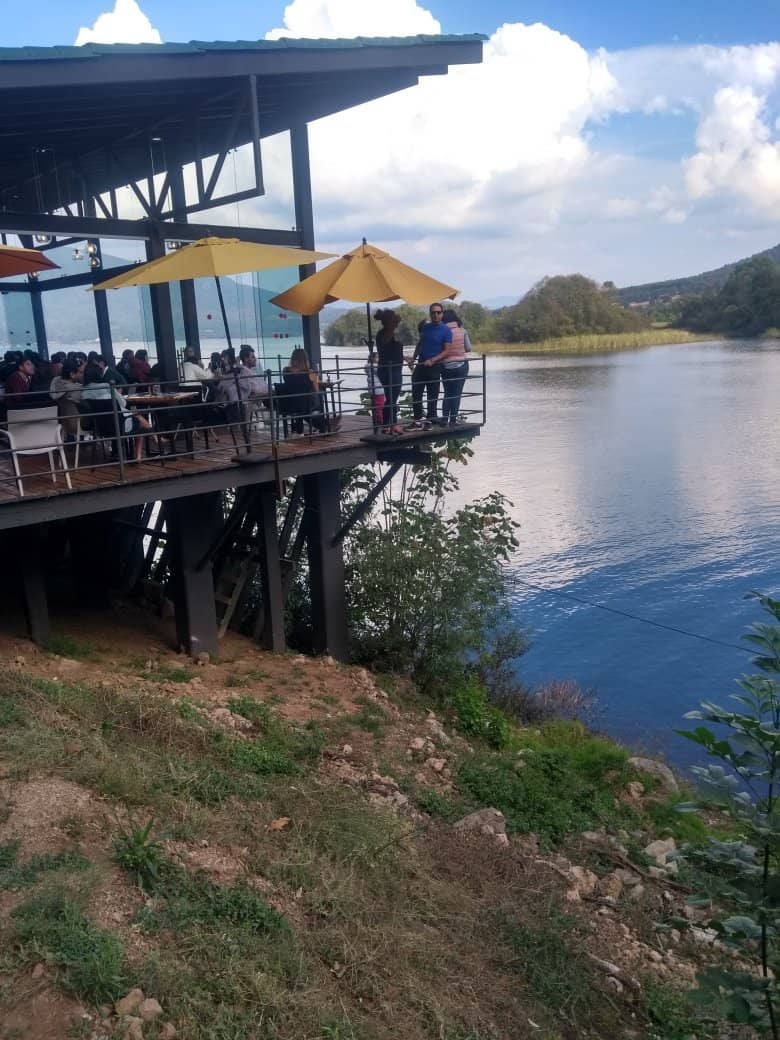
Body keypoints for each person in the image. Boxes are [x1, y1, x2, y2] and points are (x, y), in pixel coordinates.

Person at [82, 361, 152, 461]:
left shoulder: (84, 393)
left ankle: (153, 439)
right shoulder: (107, 387)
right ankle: (138, 456)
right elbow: (123, 403)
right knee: (140, 423)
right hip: (120, 425)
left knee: (136, 418)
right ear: (99, 374)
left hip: (100, 427)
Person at [409, 302, 451, 427]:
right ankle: (417, 419)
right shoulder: (426, 328)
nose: (436, 315)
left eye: (438, 312)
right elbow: (420, 343)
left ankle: (432, 416)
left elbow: (447, 350)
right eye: (433, 312)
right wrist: (414, 357)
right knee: (416, 391)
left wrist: (433, 360)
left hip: (434, 366)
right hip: (421, 365)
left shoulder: (446, 330)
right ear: (430, 314)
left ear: (442, 314)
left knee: (433, 393)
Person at [436, 308, 471, 425]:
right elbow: (468, 348)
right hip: (461, 366)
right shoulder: (462, 331)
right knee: (457, 393)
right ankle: (453, 421)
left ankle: (444, 419)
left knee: (447, 393)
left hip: (445, 366)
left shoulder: (441, 332)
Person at [374, 308, 404, 432]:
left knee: (391, 397)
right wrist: (392, 327)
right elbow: (386, 343)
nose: (397, 322)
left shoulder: (390, 333)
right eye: (394, 320)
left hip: (395, 369)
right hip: (389, 370)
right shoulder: (384, 334)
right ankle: (392, 423)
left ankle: (387, 424)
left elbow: (393, 351)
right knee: (392, 397)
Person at [49, 357, 84, 439]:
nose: (82, 375)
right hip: (77, 424)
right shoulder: (77, 389)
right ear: (72, 374)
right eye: (80, 372)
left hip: (63, 423)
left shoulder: (55, 382)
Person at [364, 350, 385, 426]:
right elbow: (382, 370)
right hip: (378, 390)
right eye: (378, 357)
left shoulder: (369, 366)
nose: (379, 359)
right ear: (372, 359)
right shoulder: (374, 367)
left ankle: (377, 419)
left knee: (376, 405)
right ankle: (382, 421)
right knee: (380, 406)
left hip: (374, 389)